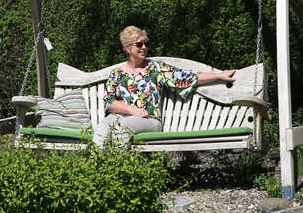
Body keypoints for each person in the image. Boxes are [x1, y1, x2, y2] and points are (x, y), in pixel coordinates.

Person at [93, 25, 236, 147]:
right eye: (139, 44)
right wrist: (133, 110)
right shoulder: (117, 74)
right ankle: (95, 167)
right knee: (103, 126)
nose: (144, 47)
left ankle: (119, 172)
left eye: (146, 44)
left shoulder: (156, 68)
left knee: (121, 128)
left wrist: (218, 75)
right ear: (127, 48)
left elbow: (186, 77)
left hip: (149, 121)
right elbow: (109, 102)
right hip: (124, 117)